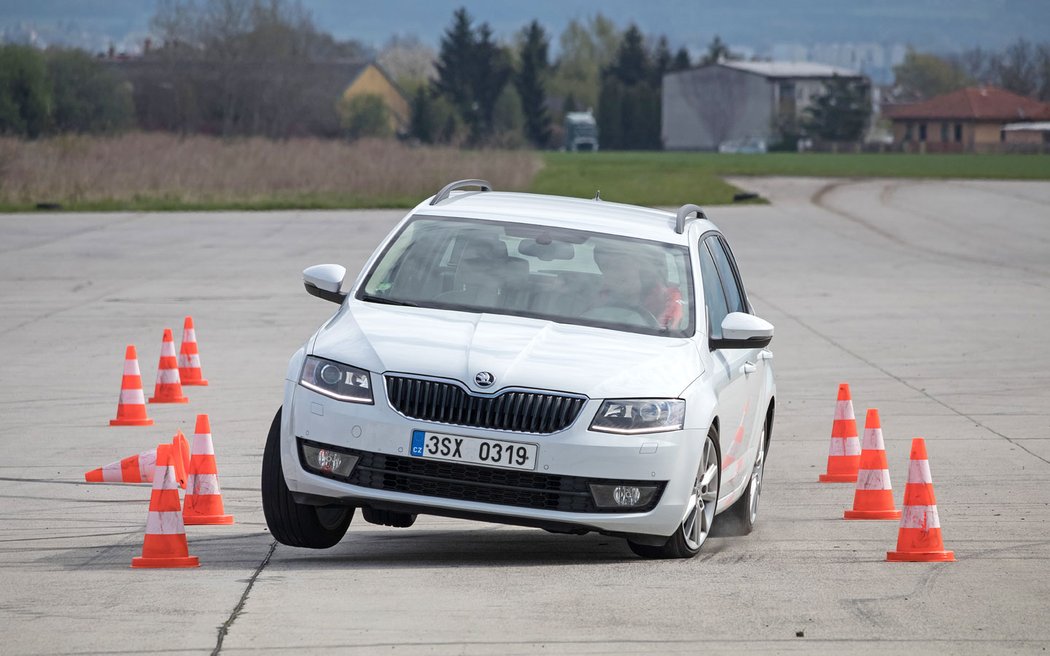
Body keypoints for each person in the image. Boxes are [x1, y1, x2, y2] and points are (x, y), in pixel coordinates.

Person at [592, 241, 683, 330]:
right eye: (607, 266)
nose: (615, 272)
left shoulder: (667, 298)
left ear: (637, 263)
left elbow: (666, 334)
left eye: (620, 262)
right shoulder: (599, 299)